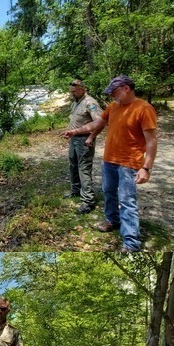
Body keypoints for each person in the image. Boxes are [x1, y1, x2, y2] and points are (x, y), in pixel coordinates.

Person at [62, 75, 158, 251]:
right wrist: (75, 131)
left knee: (127, 200)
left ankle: (131, 243)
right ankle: (112, 220)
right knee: (109, 192)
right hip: (109, 160)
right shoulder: (113, 106)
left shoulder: (144, 109)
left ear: (126, 88)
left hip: (129, 163)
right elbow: (97, 123)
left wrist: (146, 168)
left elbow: (151, 141)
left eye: (114, 92)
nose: (112, 96)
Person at [64, 79, 102, 214]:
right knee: (73, 165)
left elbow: (100, 122)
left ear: (82, 89)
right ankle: (75, 190)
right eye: (71, 92)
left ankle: (88, 201)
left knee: (84, 169)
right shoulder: (76, 102)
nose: (72, 94)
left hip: (85, 140)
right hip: (74, 139)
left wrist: (91, 137)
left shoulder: (90, 102)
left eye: (74, 91)